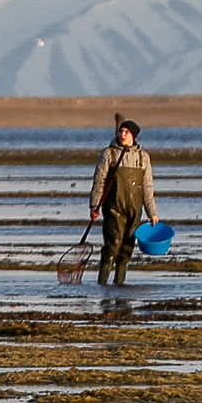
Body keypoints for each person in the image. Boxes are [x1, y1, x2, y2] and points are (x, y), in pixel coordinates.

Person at [88, 116, 158, 286]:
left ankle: (120, 285)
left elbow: (147, 188)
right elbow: (99, 181)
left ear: (133, 135)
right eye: (121, 131)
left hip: (135, 210)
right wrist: (94, 205)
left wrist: (152, 213)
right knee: (112, 246)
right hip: (113, 208)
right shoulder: (109, 154)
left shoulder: (143, 158)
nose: (123, 134)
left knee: (127, 249)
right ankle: (102, 284)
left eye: (126, 132)